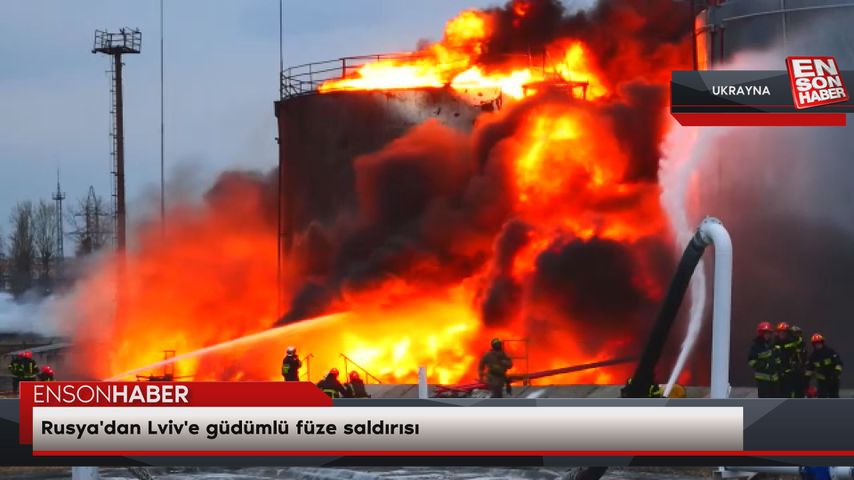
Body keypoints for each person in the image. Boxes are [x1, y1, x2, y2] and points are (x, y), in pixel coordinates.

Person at [748, 322, 780, 398]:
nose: (768, 335)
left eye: (769, 333)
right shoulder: (756, 346)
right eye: (766, 333)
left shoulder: (771, 344)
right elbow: (751, 361)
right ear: (761, 333)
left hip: (774, 379)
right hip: (763, 380)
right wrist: (765, 366)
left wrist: (778, 367)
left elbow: (776, 358)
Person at [807, 333, 843, 398]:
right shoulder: (813, 357)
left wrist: (836, 372)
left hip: (833, 379)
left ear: (822, 343)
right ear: (813, 344)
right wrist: (806, 381)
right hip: (822, 381)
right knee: (822, 398)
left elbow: (839, 363)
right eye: (816, 343)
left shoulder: (830, 352)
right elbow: (809, 370)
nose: (818, 344)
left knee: (834, 398)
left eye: (819, 343)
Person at [774, 322, 800, 398]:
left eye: (784, 332)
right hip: (777, 375)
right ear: (777, 333)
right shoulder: (773, 343)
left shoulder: (793, 343)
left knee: (789, 394)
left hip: (790, 374)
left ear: (788, 333)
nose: (782, 334)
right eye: (780, 332)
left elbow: (800, 347)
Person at [789, 325, 809, 397]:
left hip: (800, 373)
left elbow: (805, 361)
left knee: (800, 393)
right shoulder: (788, 345)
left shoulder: (802, 346)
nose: (796, 335)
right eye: (794, 333)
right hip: (790, 374)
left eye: (798, 333)